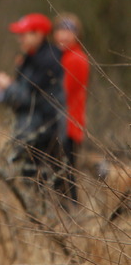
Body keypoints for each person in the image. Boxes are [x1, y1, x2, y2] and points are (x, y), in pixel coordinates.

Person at [0, 13, 67, 194]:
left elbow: (28, 99)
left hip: (44, 135)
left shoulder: (48, 60)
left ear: (39, 34)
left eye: (24, 34)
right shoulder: (30, 59)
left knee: (49, 188)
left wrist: (7, 86)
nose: (20, 39)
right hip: (31, 134)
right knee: (32, 185)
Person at [53, 12, 90, 202]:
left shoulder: (75, 58)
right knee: (61, 176)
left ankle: (73, 213)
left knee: (66, 178)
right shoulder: (62, 57)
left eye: (69, 31)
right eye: (60, 30)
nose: (64, 35)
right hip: (63, 125)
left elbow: (62, 92)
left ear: (77, 35)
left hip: (69, 126)